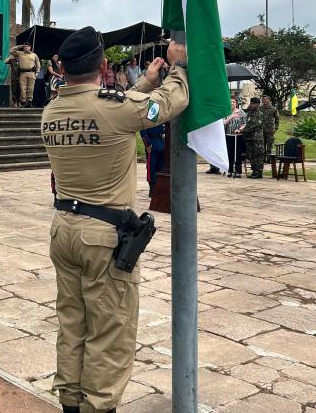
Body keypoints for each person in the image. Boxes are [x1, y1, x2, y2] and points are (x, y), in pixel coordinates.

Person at [42, 26, 188, 413]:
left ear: (62, 69)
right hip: (103, 237)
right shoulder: (116, 109)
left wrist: (144, 82)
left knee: (72, 324)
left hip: (64, 228)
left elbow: (111, 111)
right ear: (104, 65)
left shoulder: (51, 111)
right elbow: (167, 104)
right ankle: (99, 406)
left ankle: (70, 402)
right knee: (110, 329)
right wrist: (179, 68)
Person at [238, 97, 266, 179]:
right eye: (251, 103)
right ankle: (254, 171)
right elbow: (247, 124)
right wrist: (242, 128)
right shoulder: (250, 113)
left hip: (257, 139)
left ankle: (259, 172)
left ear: (258, 104)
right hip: (249, 138)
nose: (252, 105)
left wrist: (243, 130)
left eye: (254, 104)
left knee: (258, 155)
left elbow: (255, 126)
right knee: (251, 155)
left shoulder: (260, 114)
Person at [10, 42, 40, 107]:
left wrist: (37, 72)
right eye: (25, 46)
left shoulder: (34, 55)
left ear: (30, 47)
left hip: (31, 73)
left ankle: (29, 102)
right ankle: (23, 102)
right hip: (22, 73)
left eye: (27, 46)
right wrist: (20, 46)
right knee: (22, 88)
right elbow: (11, 51)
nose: (26, 47)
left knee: (31, 88)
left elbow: (38, 63)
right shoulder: (20, 53)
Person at [140, 124, 166, 196]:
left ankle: (160, 187)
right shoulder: (147, 116)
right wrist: (147, 143)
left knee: (161, 166)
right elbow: (143, 128)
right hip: (152, 144)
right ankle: (153, 188)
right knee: (152, 167)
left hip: (163, 143)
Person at [224, 97, 246, 178]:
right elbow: (224, 123)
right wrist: (232, 116)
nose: (232, 103)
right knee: (229, 154)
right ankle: (230, 170)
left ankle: (238, 171)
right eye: (230, 102)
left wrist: (240, 130)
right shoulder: (226, 112)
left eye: (233, 102)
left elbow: (245, 123)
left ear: (236, 103)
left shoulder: (241, 112)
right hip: (228, 135)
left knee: (237, 154)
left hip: (237, 136)